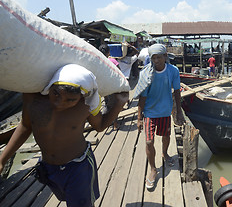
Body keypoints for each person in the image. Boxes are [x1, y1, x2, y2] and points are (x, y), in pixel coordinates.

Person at [0, 64, 129, 207]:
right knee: (67, 199)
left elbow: (99, 126)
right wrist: (2, 159)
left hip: (78, 168)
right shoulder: (32, 99)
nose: (60, 102)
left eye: (70, 100)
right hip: (49, 167)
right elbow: (25, 126)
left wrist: (118, 104)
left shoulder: (85, 105)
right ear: (51, 85)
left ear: (81, 97)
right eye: (56, 93)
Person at [134, 44, 185, 190]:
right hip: (150, 111)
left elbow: (176, 91)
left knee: (166, 136)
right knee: (149, 141)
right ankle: (153, 169)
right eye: (153, 58)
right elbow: (142, 98)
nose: (156, 61)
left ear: (165, 57)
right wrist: (139, 118)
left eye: (159, 57)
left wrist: (179, 112)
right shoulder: (146, 73)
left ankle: (165, 153)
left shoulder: (173, 71)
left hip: (165, 110)